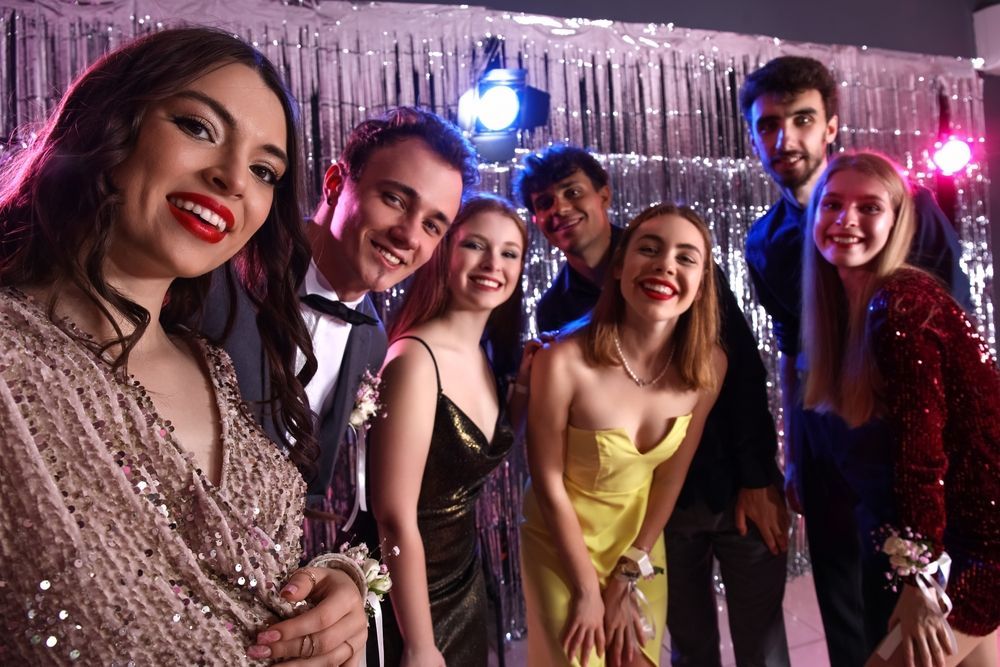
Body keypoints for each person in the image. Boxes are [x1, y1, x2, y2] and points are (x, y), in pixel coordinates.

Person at [0, 27, 369, 664]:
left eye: (263, 170)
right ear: (110, 124)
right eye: (199, 127)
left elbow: (241, 563)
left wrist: (329, 594)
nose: (232, 179)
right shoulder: (12, 359)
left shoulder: (214, 364)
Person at [516, 145, 790, 667]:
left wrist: (757, 478)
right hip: (608, 524)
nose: (560, 209)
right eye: (544, 202)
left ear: (603, 196)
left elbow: (745, 377)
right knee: (684, 648)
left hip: (708, 493)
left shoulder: (679, 263)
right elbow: (546, 469)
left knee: (759, 644)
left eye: (572, 192)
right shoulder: (558, 322)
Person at [739, 55, 972, 664]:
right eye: (767, 125)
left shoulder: (907, 208)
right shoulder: (764, 240)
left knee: (912, 607)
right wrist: (794, 454)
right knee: (841, 604)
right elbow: (791, 350)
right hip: (822, 436)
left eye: (801, 120)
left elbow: (956, 340)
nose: (783, 138)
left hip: (904, 435)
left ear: (831, 125)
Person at [201, 105, 478, 549]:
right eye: (395, 200)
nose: (409, 235)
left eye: (431, 224)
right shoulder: (222, 267)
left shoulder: (373, 341)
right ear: (334, 184)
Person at [800, 151, 998, 666]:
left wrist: (920, 577)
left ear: (896, 222)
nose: (846, 221)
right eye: (833, 204)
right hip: (963, 536)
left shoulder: (902, 305)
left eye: (869, 208)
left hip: (983, 543)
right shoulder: (851, 311)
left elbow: (921, 456)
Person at [520, 202, 727, 667]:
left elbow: (671, 477)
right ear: (619, 267)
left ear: (701, 284)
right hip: (561, 539)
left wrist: (629, 570)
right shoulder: (562, 362)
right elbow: (548, 482)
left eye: (685, 257)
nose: (665, 265)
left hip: (637, 540)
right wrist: (587, 590)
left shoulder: (709, 366)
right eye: (648, 250)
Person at [364, 194, 526, 666]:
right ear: (445, 252)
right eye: (476, 245)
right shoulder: (415, 361)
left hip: (464, 578)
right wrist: (419, 644)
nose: (493, 263)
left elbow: (472, 458)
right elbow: (393, 515)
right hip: (408, 595)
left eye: (510, 252)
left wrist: (523, 396)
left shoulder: (486, 355)